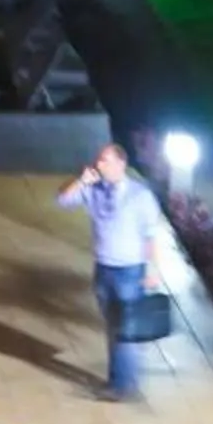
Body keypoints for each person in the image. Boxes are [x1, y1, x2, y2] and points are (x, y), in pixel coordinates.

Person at [58, 141, 161, 403]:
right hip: (104, 269)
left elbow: (150, 235)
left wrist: (152, 269)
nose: (99, 164)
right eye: (98, 160)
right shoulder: (93, 189)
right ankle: (124, 377)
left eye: (105, 160)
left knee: (123, 329)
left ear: (120, 164)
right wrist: (81, 181)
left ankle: (121, 386)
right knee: (114, 328)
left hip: (130, 270)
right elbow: (62, 200)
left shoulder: (140, 195)